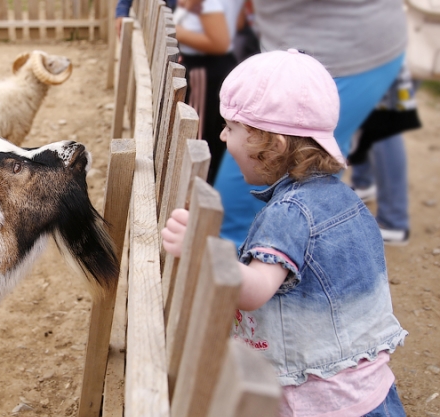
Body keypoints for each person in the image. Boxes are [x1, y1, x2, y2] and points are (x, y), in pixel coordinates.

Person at [161, 49, 433, 417]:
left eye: (232, 127)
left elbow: (255, 290)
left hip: (316, 410)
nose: (223, 137)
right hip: (368, 396)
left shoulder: (288, 215)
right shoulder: (345, 200)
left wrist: (201, 250)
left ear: (269, 142)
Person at [177, 0, 410, 248]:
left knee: (248, 195)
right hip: (315, 48)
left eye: (230, 127)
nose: (223, 135)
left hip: (347, 53)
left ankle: (254, 258)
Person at [348, 64, 422, 246]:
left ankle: (393, 221)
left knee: (384, 126)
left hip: (390, 52)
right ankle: (364, 181)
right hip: (385, 49)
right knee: (366, 115)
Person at [173, 0, 244, 185]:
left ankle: (197, 191)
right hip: (218, 66)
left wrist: (176, 29)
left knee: (197, 139)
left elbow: (220, 43)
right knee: (213, 137)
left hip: (205, 68)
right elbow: (239, 22)